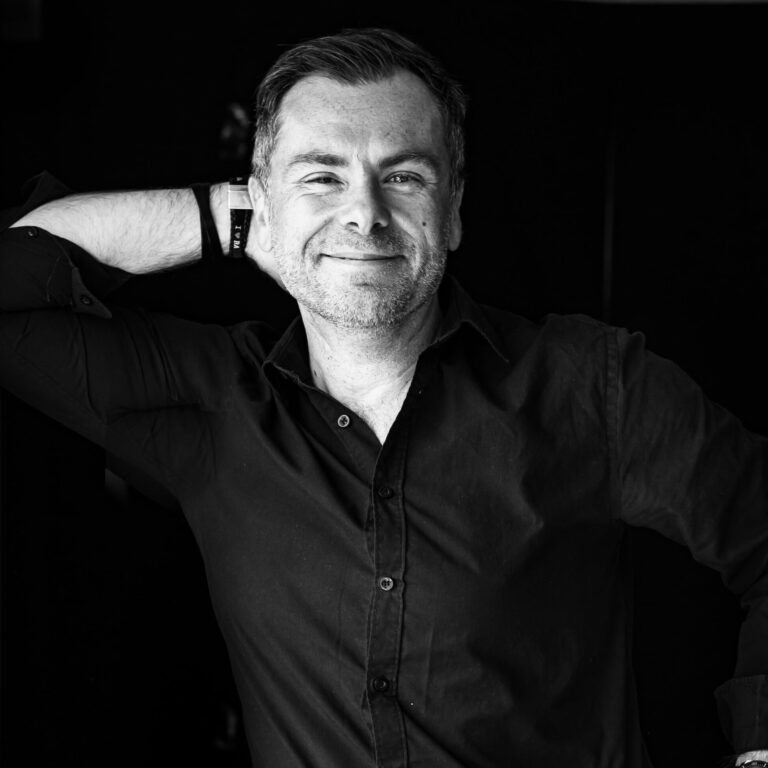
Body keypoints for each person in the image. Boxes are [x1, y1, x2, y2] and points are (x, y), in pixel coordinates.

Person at [0, 27, 766, 768]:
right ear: (263, 204)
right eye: (321, 177)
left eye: (404, 177)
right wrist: (218, 216)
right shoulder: (212, 405)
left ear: (453, 208)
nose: (365, 213)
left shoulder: (589, 384)